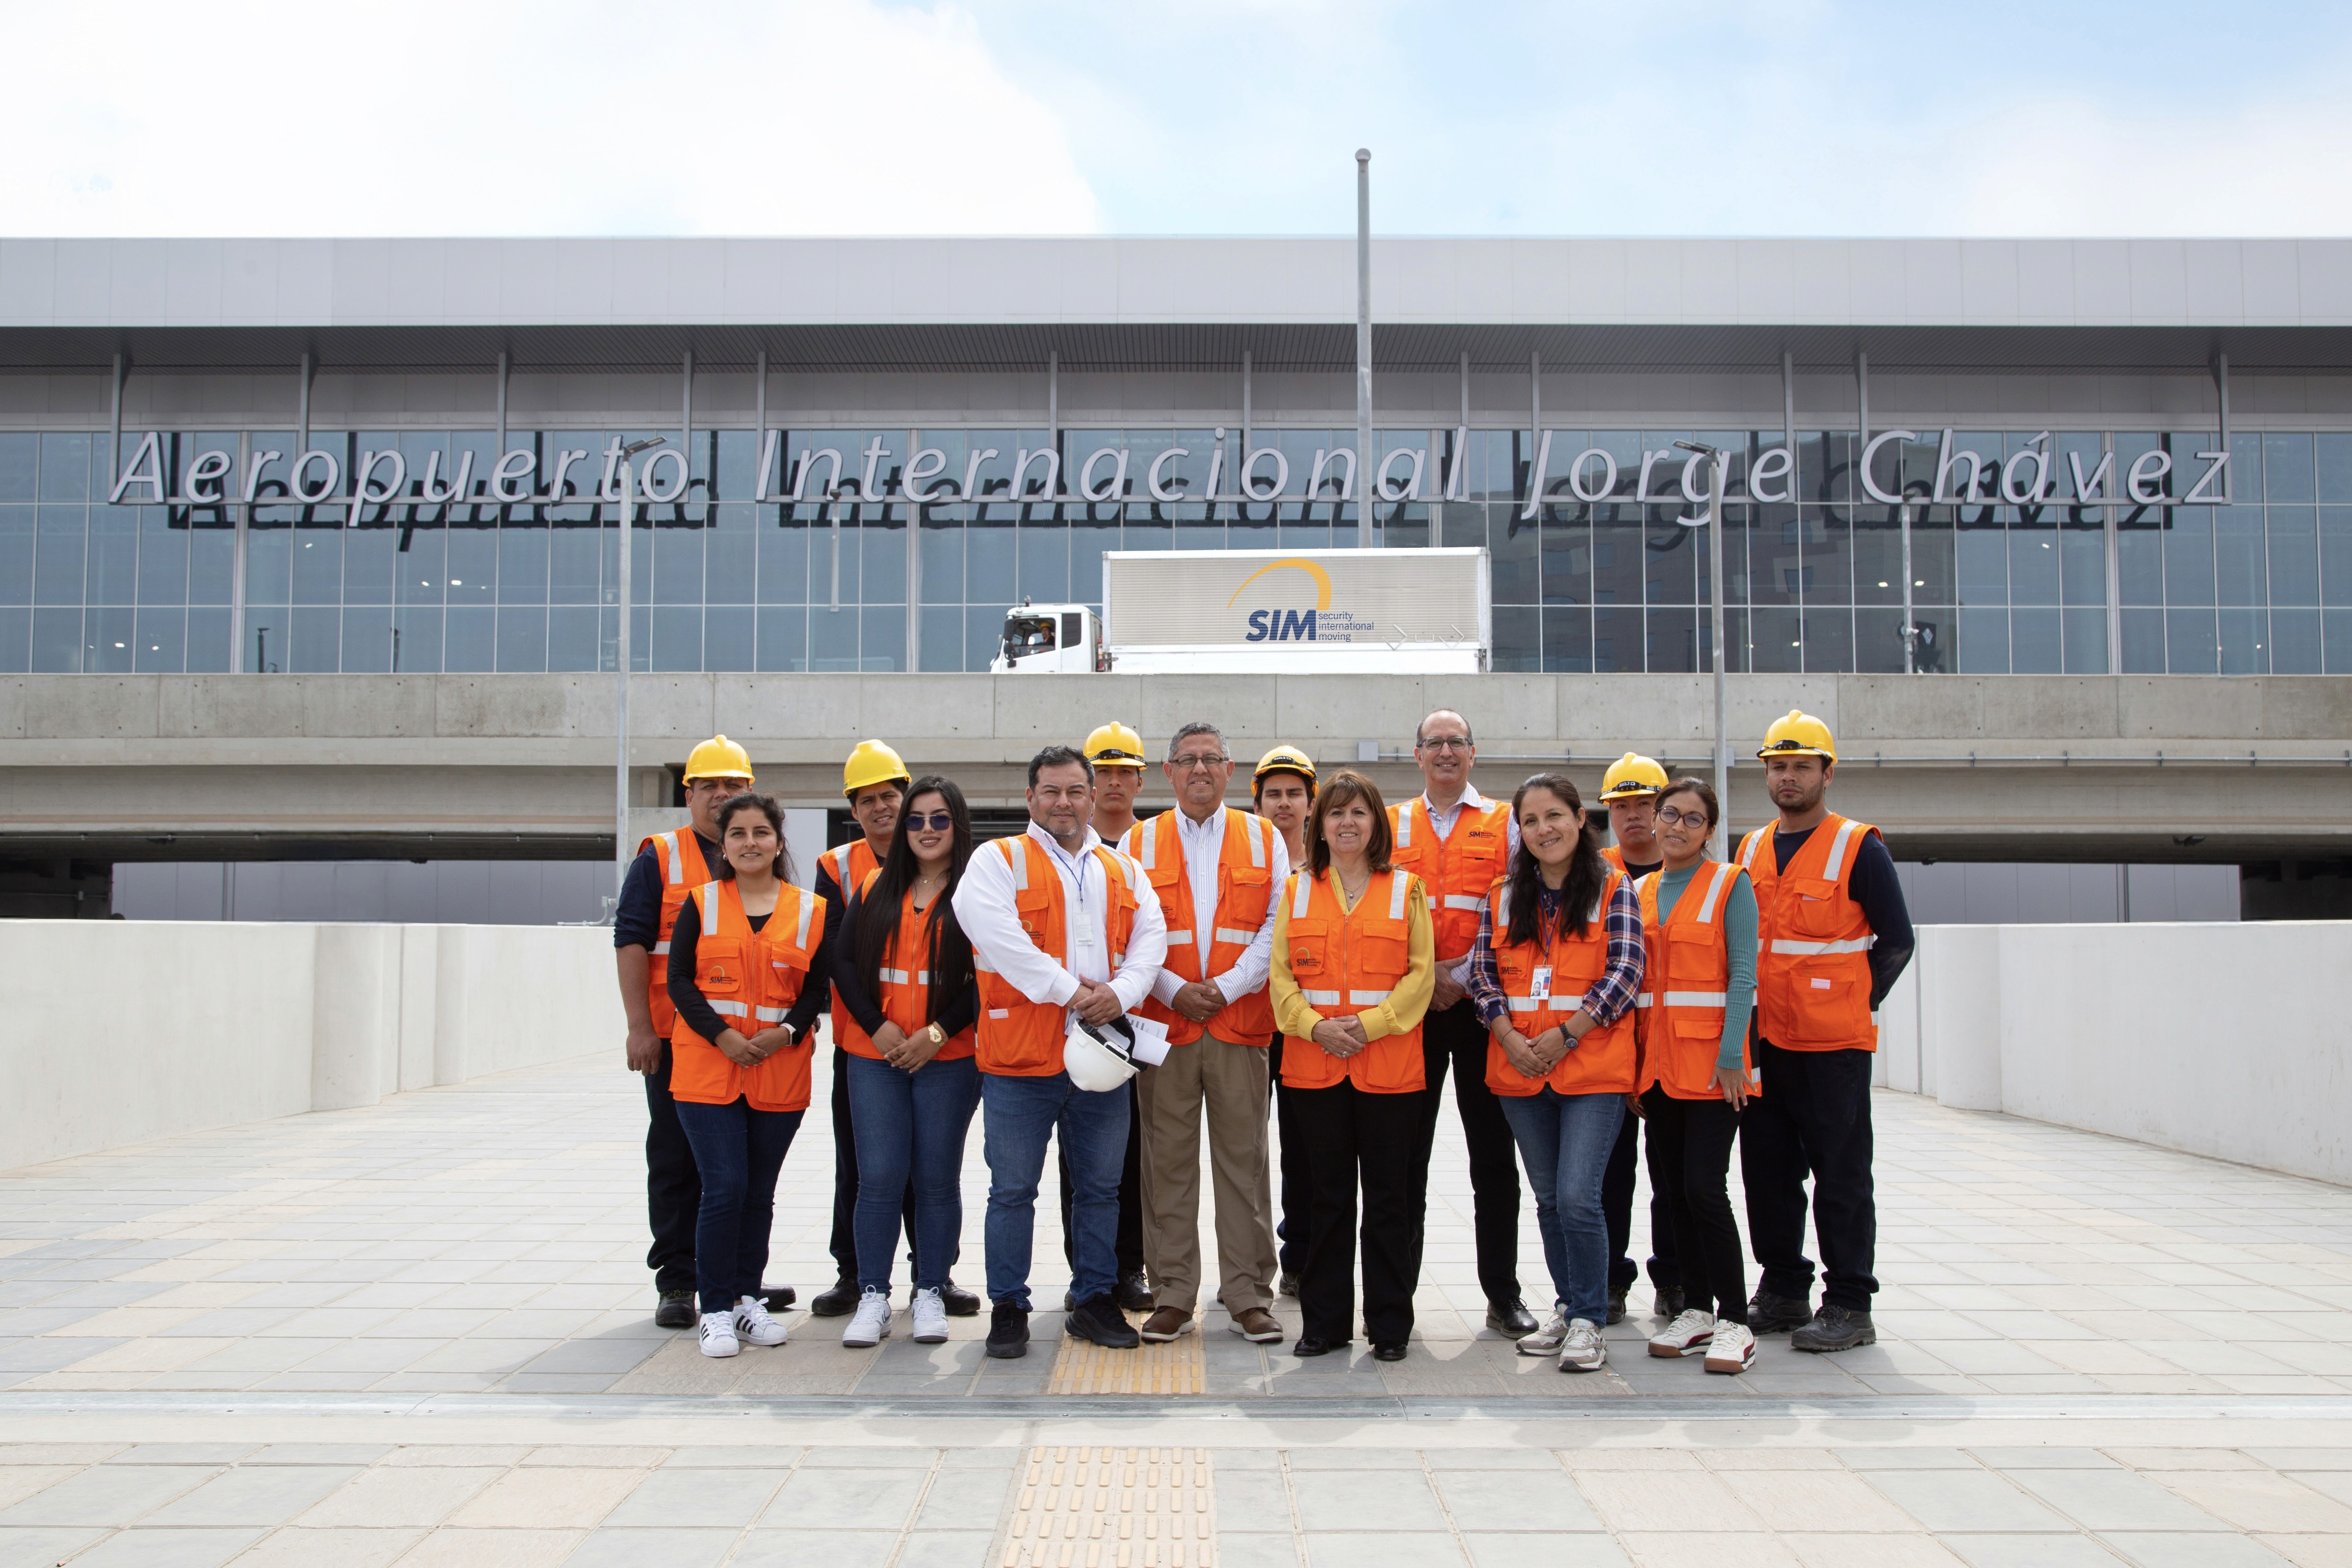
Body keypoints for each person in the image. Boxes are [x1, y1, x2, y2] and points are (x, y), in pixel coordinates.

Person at [953, 745, 1170, 1359]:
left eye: (1076, 791)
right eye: (1051, 791)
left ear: (1093, 795)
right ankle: (1008, 1305)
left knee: (1101, 1189)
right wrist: (1074, 992)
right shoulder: (997, 861)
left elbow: (1151, 940)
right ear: (1030, 798)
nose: (1065, 802)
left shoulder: (1122, 868)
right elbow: (999, 939)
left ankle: (1094, 1298)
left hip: (1101, 1058)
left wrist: (1120, 993)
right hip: (1021, 1062)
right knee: (1013, 1189)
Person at [1737, 711, 1915, 1353]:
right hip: (1765, 1041)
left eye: (1801, 766)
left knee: (1841, 1174)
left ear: (1826, 773)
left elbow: (1896, 939)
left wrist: (1850, 1002)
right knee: (1768, 1172)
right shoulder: (1752, 848)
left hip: (1832, 1046)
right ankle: (1783, 1287)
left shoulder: (1856, 844)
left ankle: (1847, 1302)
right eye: (1777, 767)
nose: (1787, 777)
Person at [613, 734, 793, 1329]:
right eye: (709, 785)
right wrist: (640, 1026)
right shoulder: (661, 857)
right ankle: (678, 1280)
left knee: (739, 1170)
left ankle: (739, 1280)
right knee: (676, 1161)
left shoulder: (767, 862)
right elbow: (633, 940)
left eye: (734, 786)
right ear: (688, 794)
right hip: (674, 1040)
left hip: (753, 1048)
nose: (722, 795)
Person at [1468, 774, 1644, 1373]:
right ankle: (1569, 1308)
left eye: (1555, 816)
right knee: (1547, 1199)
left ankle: (1592, 1319)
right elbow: (1484, 975)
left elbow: (1625, 972)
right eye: (1531, 821)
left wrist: (1566, 1033)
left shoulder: (1614, 887)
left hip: (1592, 1068)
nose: (1544, 829)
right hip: (1520, 1070)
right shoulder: (1502, 894)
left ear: (1580, 820)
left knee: (1578, 1196)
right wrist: (1509, 1036)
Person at [1122, 723, 1288, 1345]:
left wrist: (1227, 984)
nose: (1199, 769)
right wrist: (1170, 988)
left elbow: (1277, 922)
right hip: (1164, 1029)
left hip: (1239, 1023)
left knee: (1243, 1163)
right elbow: (1130, 931)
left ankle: (1247, 1292)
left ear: (1230, 769)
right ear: (1167, 771)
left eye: (1211, 759)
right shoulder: (1138, 840)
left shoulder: (1263, 837)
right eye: (1187, 759)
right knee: (1165, 1165)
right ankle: (1171, 1292)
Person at [1269, 770, 1436, 1362]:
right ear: (1320, 824)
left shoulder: (1407, 889)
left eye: (1359, 813)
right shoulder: (1297, 889)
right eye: (1336, 813)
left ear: (1377, 824)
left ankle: (1390, 1326)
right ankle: (1325, 1324)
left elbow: (1422, 977)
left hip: (1388, 1066)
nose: (1347, 823)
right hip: (1313, 1067)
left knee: (1391, 1199)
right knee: (1326, 1199)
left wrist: (1367, 1026)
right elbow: (1282, 975)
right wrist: (1315, 1026)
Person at [811, 742, 981, 1321]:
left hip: (949, 1057)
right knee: (879, 1176)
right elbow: (843, 964)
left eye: (939, 819)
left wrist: (936, 1033)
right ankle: (874, 1295)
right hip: (874, 1056)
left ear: (957, 825)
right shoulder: (873, 889)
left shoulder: (981, 893)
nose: (926, 829)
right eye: (917, 819)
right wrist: (877, 1027)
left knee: (936, 1178)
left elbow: (991, 978)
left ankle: (930, 1289)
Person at [1387, 710, 1535, 1339]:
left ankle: (1503, 1296)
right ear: (1417, 754)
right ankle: (1395, 1303)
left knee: (1493, 1161)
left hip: (1482, 1012)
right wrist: (1428, 978)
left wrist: (1463, 976)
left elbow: (1517, 910)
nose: (1445, 751)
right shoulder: (1390, 822)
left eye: (1456, 742)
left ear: (1473, 752)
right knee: (1402, 1161)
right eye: (1434, 743)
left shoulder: (1506, 823)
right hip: (1411, 1013)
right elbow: (1378, 906)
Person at [665, 792, 826, 1357]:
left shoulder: (809, 910)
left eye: (762, 832)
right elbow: (679, 980)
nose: (750, 842)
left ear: (779, 842)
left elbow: (817, 988)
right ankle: (714, 1308)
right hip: (710, 1070)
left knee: (758, 1193)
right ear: (725, 845)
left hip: (778, 1069)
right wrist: (724, 1035)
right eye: (738, 834)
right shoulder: (701, 902)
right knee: (724, 1187)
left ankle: (744, 1300)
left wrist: (785, 1031)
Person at [1636, 777, 1761, 1375]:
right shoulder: (1639, 890)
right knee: (1673, 1193)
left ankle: (1736, 1318)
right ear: (1654, 822)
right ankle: (1698, 1307)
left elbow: (1743, 975)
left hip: (1715, 1070)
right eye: (1669, 815)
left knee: (1707, 1189)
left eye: (1692, 818)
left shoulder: (1731, 884)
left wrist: (1735, 1055)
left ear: (1710, 830)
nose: (1678, 826)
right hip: (1657, 1071)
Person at [1061, 721, 1155, 1314]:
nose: (1115, 782)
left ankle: (1131, 1267)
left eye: (1125, 771)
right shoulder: (1067, 846)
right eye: (1104, 771)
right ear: (1089, 784)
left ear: (1141, 779)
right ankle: (1087, 1272)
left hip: (1143, 1024)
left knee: (1136, 1155)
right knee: (1081, 1160)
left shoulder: (1156, 845)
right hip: (1078, 1029)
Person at [1596, 753, 1683, 1327]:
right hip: (1607, 1050)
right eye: (1621, 806)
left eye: (1644, 805)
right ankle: (1608, 1281)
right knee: (1608, 1174)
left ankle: (1675, 1279)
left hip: (1676, 1051)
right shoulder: (1591, 869)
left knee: (1675, 1174)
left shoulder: (1697, 873)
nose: (1633, 817)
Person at [1253, 745, 1317, 1297]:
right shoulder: (1248, 863)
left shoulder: (1326, 870)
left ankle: (1299, 1252)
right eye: (1273, 794)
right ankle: (1249, 1258)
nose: (1283, 803)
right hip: (1252, 1025)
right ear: (1257, 804)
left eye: (1294, 793)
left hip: (1305, 1029)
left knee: (1303, 1146)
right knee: (1248, 1147)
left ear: (1310, 803)